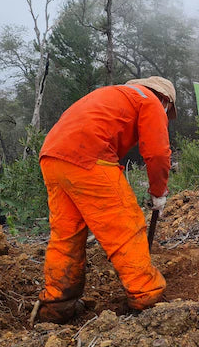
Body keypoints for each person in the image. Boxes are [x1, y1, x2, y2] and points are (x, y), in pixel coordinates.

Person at [37, 77, 175, 323]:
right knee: (125, 225)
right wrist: (158, 192)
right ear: (165, 99)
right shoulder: (151, 101)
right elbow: (157, 152)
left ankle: (58, 304)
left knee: (66, 234)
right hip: (89, 156)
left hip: (52, 156)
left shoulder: (114, 94)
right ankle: (146, 294)